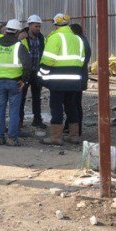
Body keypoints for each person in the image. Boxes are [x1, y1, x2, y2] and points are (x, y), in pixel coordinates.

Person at [38, 13, 85, 145]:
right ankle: (74, 135)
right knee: (71, 106)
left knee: (56, 106)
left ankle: (56, 137)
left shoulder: (55, 37)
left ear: (55, 24)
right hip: (74, 80)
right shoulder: (77, 39)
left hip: (58, 81)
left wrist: (41, 75)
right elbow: (81, 61)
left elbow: (48, 60)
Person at [0, 19, 31, 146]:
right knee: (14, 111)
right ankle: (12, 138)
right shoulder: (19, 46)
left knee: (0, 110)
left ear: (7, 30)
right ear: (17, 32)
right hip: (15, 83)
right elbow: (27, 65)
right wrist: (24, 80)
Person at [19, 15, 47, 129]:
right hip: (24, 72)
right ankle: (19, 121)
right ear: (29, 26)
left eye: (39, 26)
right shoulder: (21, 37)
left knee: (37, 97)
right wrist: (18, 38)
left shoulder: (42, 38)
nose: (38, 28)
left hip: (36, 72)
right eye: (36, 26)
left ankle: (37, 119)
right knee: (21, 97)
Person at [65, 23, 91, 138]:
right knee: (74, 103)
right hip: (80, 77)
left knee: (72, 103)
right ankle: (71, 126)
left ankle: (76, 128)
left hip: (77, 77)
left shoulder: (79, 42)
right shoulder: (83, 41)